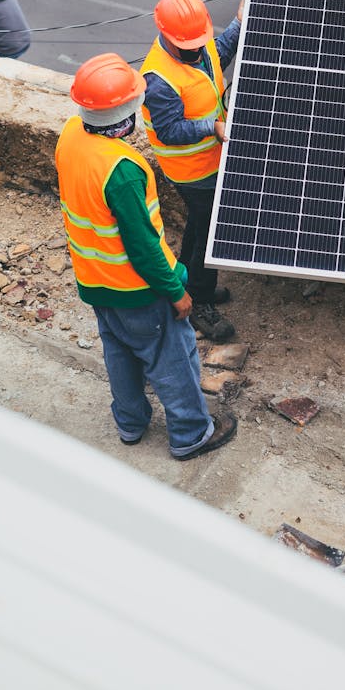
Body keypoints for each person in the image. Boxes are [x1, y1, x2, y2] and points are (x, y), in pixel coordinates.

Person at [55, 51, 237, 459]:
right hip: (138, 290)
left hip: (95, 282)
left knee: (119, 353)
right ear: (129, 110)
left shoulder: (70, 135)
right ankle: (191, 433)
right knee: (173, 359)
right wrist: (176, 291)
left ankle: (131, 424)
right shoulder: (122, 169)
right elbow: (142, 246)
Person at [141, 0, 243, 343]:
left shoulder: (197, 48)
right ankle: (197, 300)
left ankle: (196, 284)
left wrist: (238, 23)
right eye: (191, 42)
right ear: (169, 37)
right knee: (203, 234)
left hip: (213, 160)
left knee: (202, 231)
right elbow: (169, 131)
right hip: (193, 172)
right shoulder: (159, 79)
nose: (198, 47)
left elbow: (218, 53)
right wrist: (211, 128)